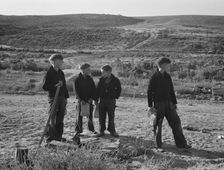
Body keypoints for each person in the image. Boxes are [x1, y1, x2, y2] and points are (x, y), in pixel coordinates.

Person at [147, 57, 191, 149]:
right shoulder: (154, 77)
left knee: (176, 123)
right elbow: (149, 92)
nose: (169, 67)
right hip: (158, 104)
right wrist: (150, 106)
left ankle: (182, 144)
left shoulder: (167, 76)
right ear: (162, 65)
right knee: (157, 125)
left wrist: (174, 103)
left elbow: (171, 90)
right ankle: (158, 145)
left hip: (169, 103)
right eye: (167, 65)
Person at [42, 54, 69, 143]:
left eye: (61, 61)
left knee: (60, 118)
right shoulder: (49, 73)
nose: (60, 63)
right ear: (53, 62)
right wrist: (55, 85)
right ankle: (50, 136)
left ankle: (58, 136)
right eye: (59, 61)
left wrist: (66, 98)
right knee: (52, 117)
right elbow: (45, 87)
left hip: (62, 97)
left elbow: (64, 85)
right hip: (53, 97)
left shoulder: (61, 72)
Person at [73, 63, 98, 137]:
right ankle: (78, 130)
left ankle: (91, 129)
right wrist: (80, 100)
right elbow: (76, 91)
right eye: (88, 69)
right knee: (79, 116)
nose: (90, 70)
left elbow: (93, 90)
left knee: (90, 116)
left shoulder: (90, 78)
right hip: (80, 101)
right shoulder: (77, 79)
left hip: (89, 100)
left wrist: (91, 98)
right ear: (83, 70)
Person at [96, 65, 121, 137]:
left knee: (111, 116)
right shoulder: (101, 80)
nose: (102, 73)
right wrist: (96, 99)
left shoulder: (115, 80)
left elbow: (119, 89)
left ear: (108, 72)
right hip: (102, 100)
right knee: (102, 116)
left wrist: (115, 96)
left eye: (103, 72)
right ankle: (101, 130)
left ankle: (112, 130)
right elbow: (98, 90)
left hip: (111, 101)